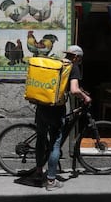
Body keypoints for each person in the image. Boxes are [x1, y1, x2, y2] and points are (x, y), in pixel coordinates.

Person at [34, 45, 92, 191]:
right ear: (77, 57)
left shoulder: (56, 63)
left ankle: (38, 172)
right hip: (56, 109)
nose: (80, 61)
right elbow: (74, 90)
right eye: (80, 59)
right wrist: (85, 97)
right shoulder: (72, 67)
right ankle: (51, 181)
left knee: (41, 139)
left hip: (41, 106)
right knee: (55, 143)